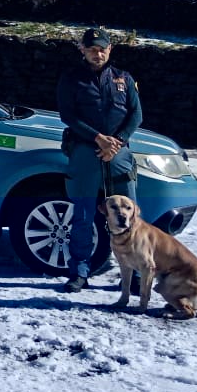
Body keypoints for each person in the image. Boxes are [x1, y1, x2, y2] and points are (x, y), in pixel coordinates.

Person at [55, 26, 141, 293]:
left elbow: (135, 115)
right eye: (92, 49)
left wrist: (116, 142)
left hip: (118, 154)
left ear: (109, 49)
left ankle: (134, 275)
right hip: (84, 152)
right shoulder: (71, 79)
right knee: (82, 216)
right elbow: (68, 116)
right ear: (82, 50)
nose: (97, 53)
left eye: (102, 49)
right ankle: (80, 272)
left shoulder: (123, 79)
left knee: (129, 217)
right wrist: (98, 139)